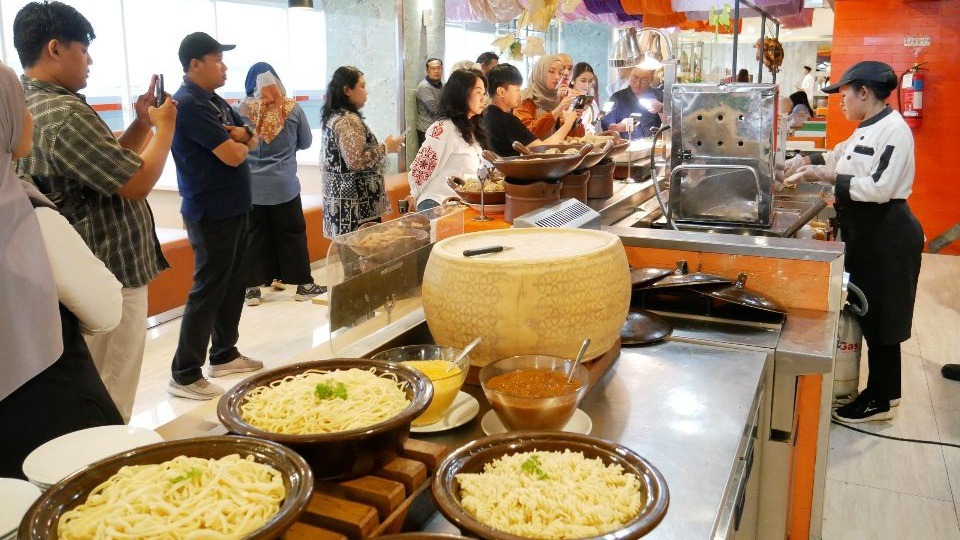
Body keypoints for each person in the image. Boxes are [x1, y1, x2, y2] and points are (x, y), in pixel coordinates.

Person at [13, 1, 176, 422]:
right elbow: (136, 183)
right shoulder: (64, 113)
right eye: (83, 49)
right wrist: (165, 129)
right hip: (109, 273)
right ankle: (105, 469)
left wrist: (141, 125)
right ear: (54, 48)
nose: (89, 61)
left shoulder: (31, 102)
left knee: (91, 384)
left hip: (77, 276)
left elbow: (107, 171)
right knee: (110, 390)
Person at [0, 61, 124, 477]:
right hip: (48, 421)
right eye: (21, 106)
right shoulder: (24, 215)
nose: (31, 116)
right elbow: (105, 310)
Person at [784, 61, 923, 423]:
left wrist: (824, 176)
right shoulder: (866, 128)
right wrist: (802, 160)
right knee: (870, 311)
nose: (840, 102)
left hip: (888, 232)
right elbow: (837, 155)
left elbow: (879, 188)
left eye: (844, 94)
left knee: (884, 317)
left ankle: (881, 398)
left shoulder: (894, 130)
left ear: (864, 92)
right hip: (866, 231)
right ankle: (882, 393)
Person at [168, 32, 264, 401]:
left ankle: (224, 353)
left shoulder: (214, 100)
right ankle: (185, 371)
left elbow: (251, 138)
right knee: (208, 288)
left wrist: (243, 135)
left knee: (232, 283)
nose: (224, 66)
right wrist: (242, 139)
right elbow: (234, 155)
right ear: (194, 64)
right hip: (210, 211)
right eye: (216, 59)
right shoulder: (189, 103)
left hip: (235, 207)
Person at [236, 63, 323, 307]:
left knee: (253, 237)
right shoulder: (291, 108)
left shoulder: (242, 109)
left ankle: (252, 290)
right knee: (292, 234)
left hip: (251, 188)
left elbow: (233, 142)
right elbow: (305, 142)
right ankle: (303, 286)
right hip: (284, 185)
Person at [321, 66, 405, 238]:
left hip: (343, 203)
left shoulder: (336, 117)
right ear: (347, 90)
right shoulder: (347, 120)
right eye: (362, 86)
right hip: (355, 208)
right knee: (363, 257)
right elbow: (356, 161)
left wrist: (386, 148)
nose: (366, 91)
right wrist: (385, 147)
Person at [408, 69, 488, 211]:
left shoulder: (471, 129)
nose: (483, 98)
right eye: (478, 92)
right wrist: (413, 194)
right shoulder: (444, 128)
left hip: (461, 204)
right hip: (437, 203)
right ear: (461, 94)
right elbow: (422, 167)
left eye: (484, 93)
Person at [483, 63, 578, 157]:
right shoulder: (506, 119)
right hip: (512, 171)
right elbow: (542, 150)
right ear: (501, 92)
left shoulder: (485, 115)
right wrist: (568, 123)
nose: (520, 93)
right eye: (517, 89)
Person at [514, 55, 584, 140]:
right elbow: (527, 133)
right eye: (551, 71)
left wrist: (575, 119)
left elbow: (573, 138)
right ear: (540, 72)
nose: (557, 77)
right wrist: (557, 110)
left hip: (556, 151)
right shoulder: (525, 98)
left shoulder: (559, 99)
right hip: (533, 152)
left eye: (560, 73)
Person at [601, 67, 664, 139]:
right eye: (635, 77)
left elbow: (672, 126)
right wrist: (619, 127)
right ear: (629, 75)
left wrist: (662, 109)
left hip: (654, 145)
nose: (638, 83)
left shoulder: (660, 96)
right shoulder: (616, 98)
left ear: (651, 80)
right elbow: (607, 127)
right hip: (626, 146)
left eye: (644, 79)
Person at [416, 58, 443, 146]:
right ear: (427, 71)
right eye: (433, 68)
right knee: (427, 159)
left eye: (439, 68)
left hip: (438, 129)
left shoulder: (443, 85)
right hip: (426, 130)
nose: (436, 71)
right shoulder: (424, 87)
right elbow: (435, 109)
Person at [571, 62, 601, 133]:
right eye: (583, 81)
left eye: (590, 81)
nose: (587, 85)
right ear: (574, 80)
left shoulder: (591, 101)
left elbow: (596, 126)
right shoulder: (567, 99)